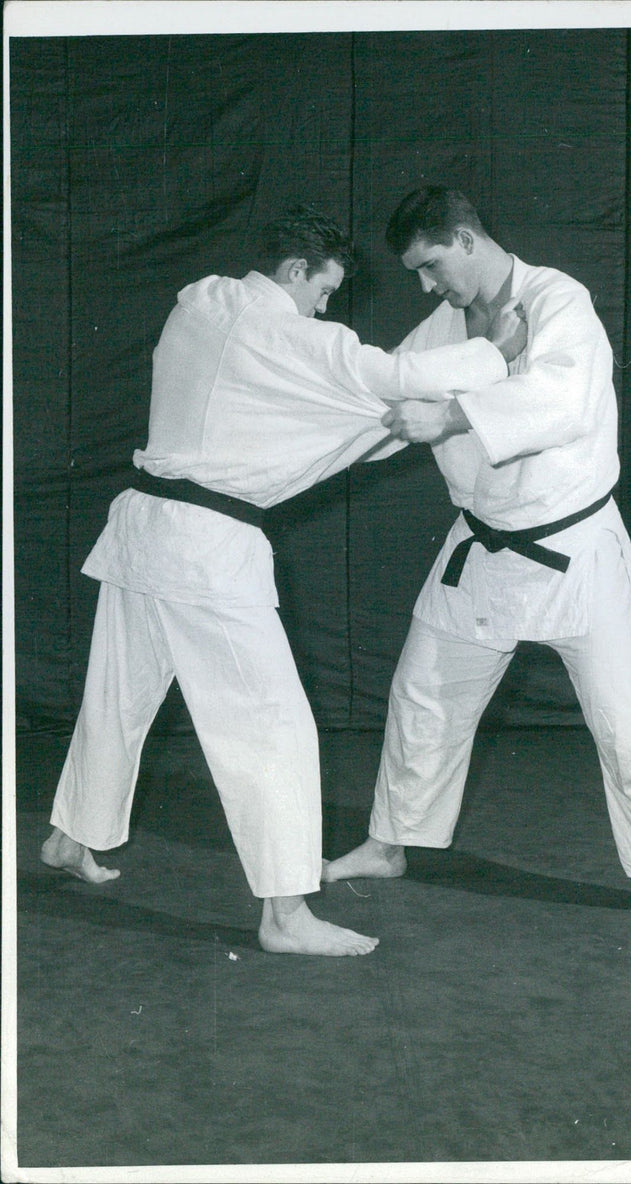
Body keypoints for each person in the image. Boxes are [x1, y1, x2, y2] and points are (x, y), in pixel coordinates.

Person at [40, 205, 528, 958]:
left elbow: (293, 413)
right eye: (323, 291)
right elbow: (390, 375)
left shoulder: (200, 301)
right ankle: (285, 915)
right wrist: (496, 353)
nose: (324, 307)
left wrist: (384, 417)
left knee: (118, 696)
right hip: (203, 549)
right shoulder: (283, 332)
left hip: (141, 527)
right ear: (296, 270)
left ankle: (71, 837)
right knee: (274, 728)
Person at [322, 187, 631, 943]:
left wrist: (447, 415)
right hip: (481, 546)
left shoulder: (558, 300)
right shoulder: (446, 323)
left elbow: (563, 399)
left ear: (468, 239)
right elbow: (394, 385)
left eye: (432, 264)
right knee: (424, 696)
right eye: (415, 272)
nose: (426, 285)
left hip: (570, 549)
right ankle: (388, 845)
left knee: (624, 724)